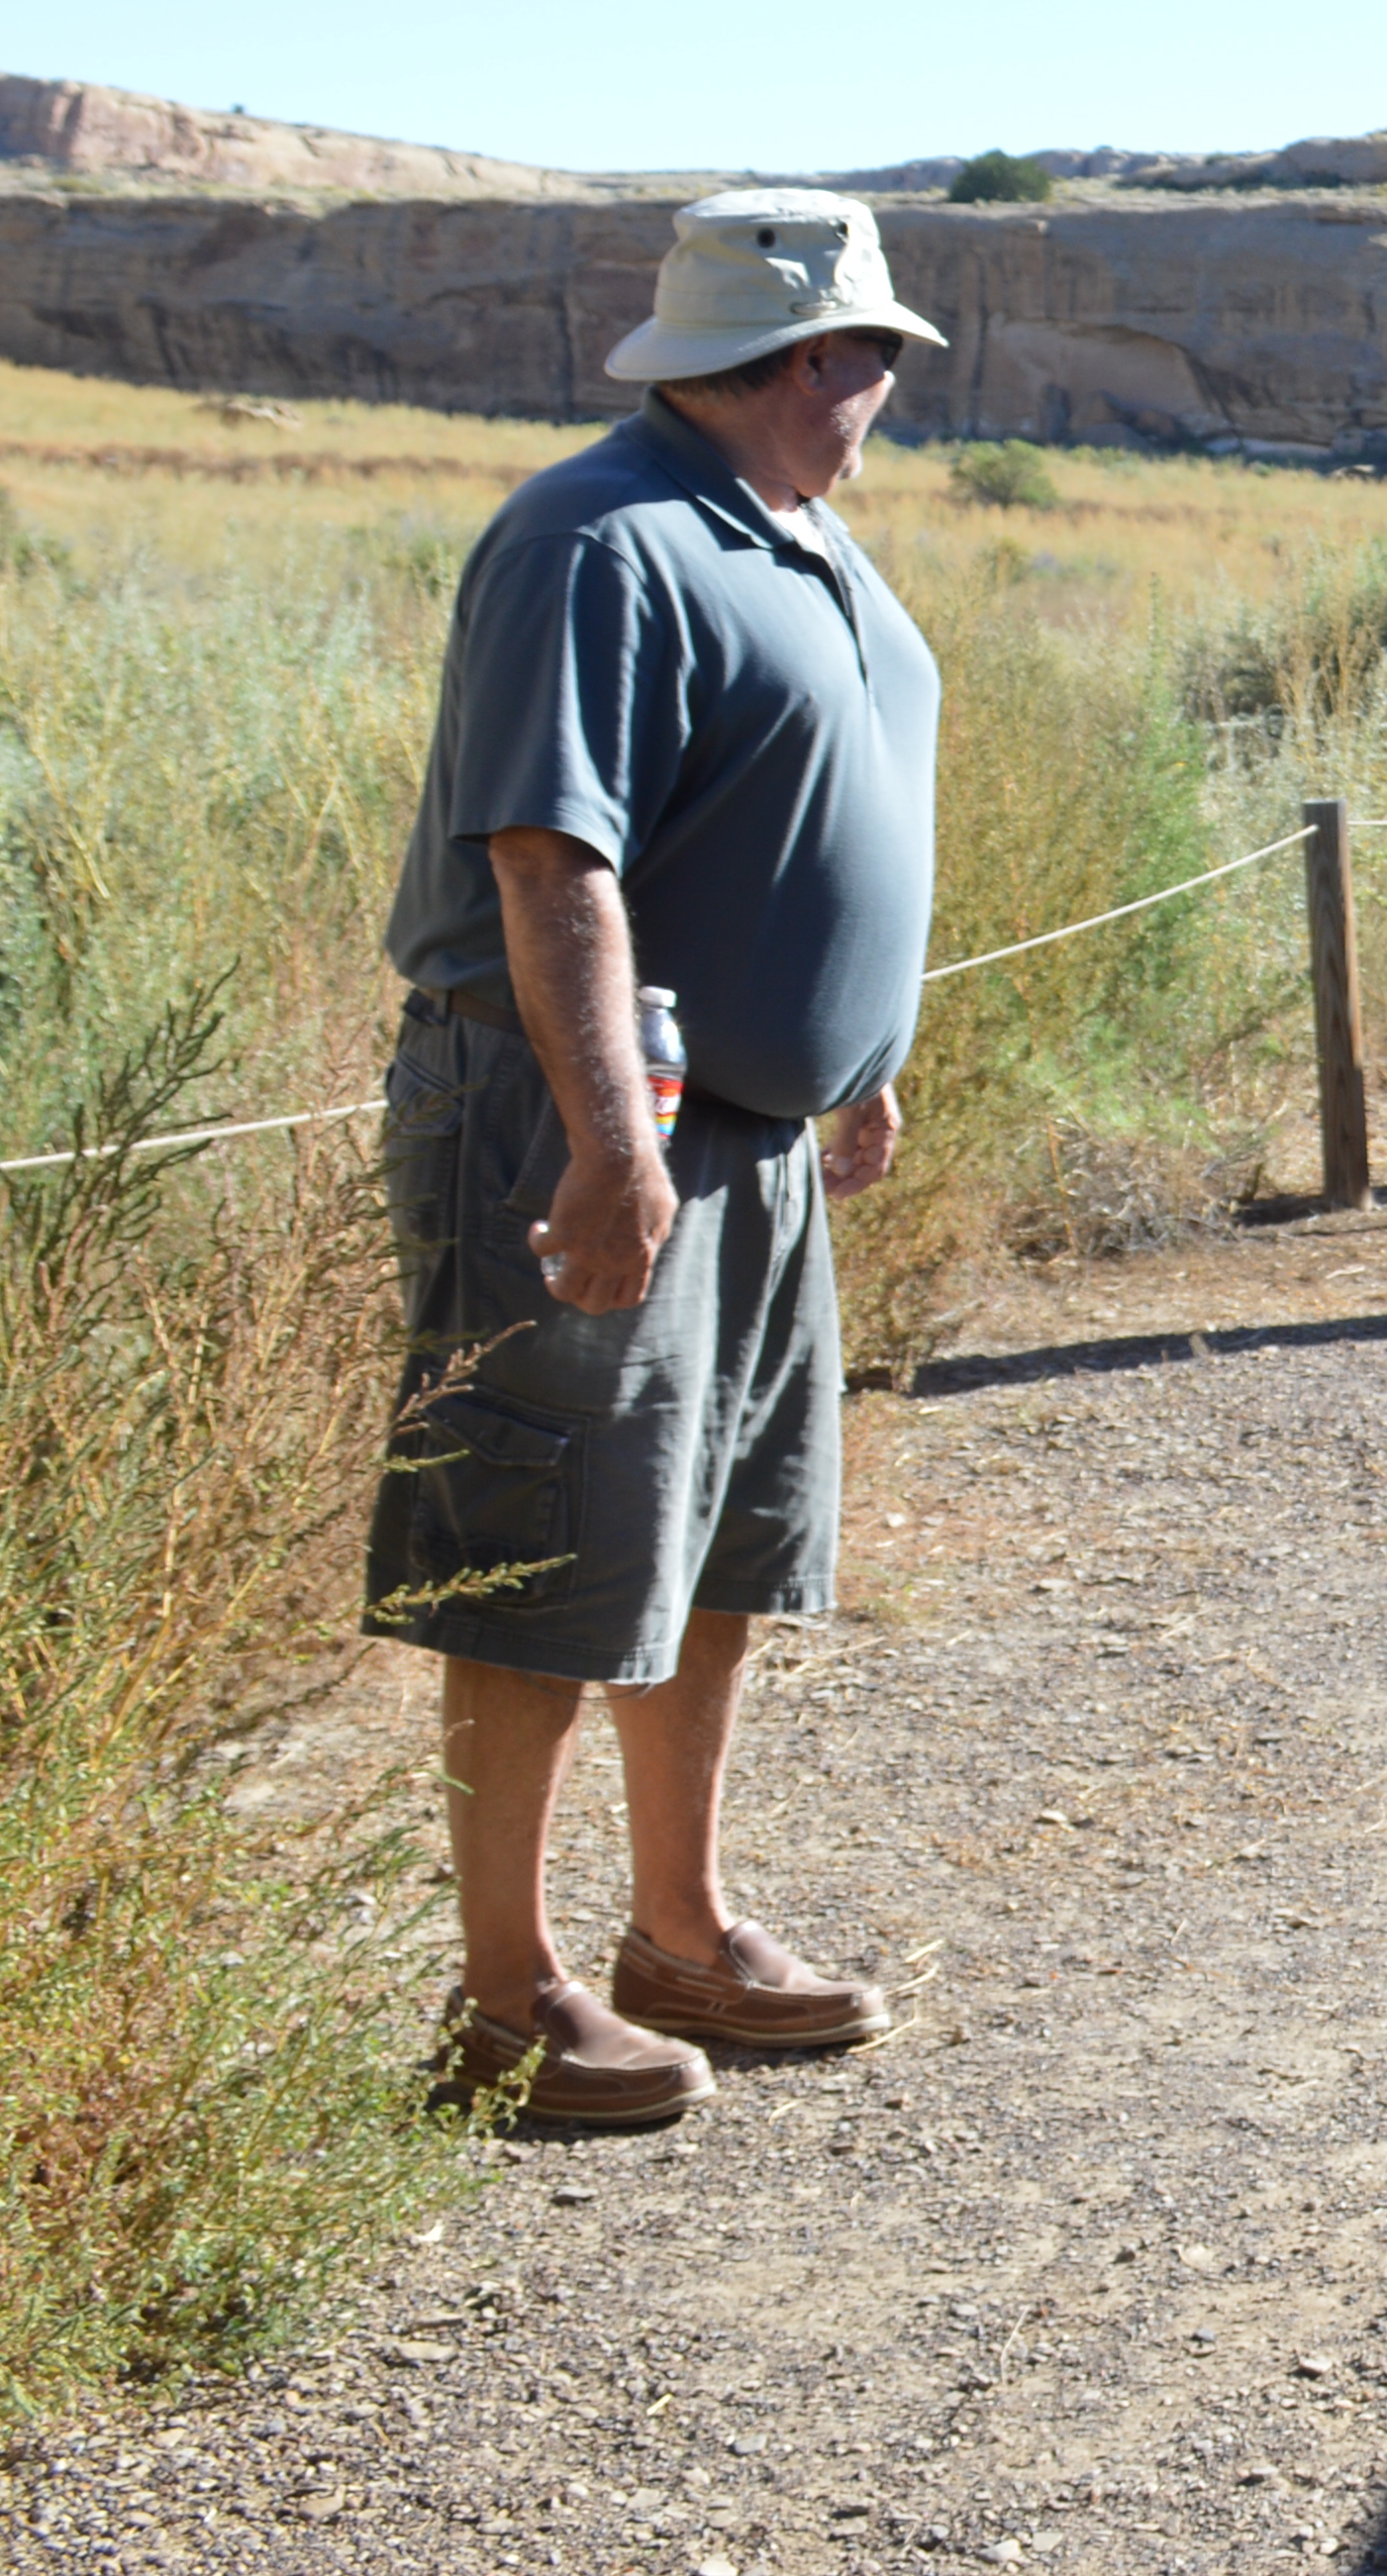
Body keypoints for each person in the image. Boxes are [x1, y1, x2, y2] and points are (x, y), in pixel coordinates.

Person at [363, 188, 946, 2130]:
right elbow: (552, 858)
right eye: (868, 351)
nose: (879, 383)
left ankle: (677, 1928)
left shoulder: (797, 541)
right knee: (542, 1539)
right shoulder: (594, 536)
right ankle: (503, 1994)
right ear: (803, 361)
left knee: (714, 1540)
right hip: (588, 1109)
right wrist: (615, 1141)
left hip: (755, 1133)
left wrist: (862, 1055)